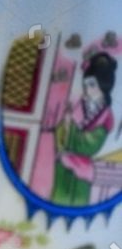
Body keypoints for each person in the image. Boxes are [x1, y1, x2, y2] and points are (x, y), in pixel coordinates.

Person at [50, 52, 117, 207]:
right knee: (57, 197)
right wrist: (63, 125)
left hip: (82, 168)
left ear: (104, 85)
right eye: (85, 85)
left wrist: (70, 125)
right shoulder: (76, 103)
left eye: (92, 85)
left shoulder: (106, 116)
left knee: (77, 202)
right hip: (62, 165)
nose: (87, 89)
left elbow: (91, 145)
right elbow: (59, 129)